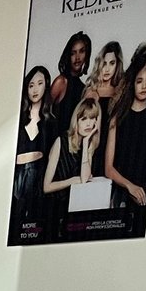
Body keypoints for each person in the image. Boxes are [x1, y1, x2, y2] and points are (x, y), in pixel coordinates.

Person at [106, 44, 146, 239]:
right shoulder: (118, 116)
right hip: (122, 195)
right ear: (132, 82)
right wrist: (130, 186)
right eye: (139, 81)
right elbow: (108, 168)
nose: (144, 86)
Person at [42, 97, 106, 240]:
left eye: (93, 118)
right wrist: (71, 181)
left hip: (73, 208)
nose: (89, 123)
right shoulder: (61, 141)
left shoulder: (89, 145)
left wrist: (85, 144)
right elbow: (46, 187)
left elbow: (83, 179)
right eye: (84, 119)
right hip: (53, 208)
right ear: (76, 121)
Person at [10, 66, 56, 244]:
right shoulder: (17, 118)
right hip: (16, 181)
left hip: (38, 182)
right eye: (31, 85)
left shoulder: (50, 122)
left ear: (46, 86)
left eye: (40, 83)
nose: (35, 89)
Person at [48, 31, 91, 137]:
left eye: (81, 51)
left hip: (73, 146)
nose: (77, 57)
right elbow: (42, 114)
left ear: (87, 54)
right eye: (73, 53)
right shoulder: (61, 82)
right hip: (55, 145)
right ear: (68, 55)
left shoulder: (84, 88)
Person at [85, 41, 125, 118]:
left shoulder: (121, 91)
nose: (107, 69)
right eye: (104, 63)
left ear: (117, 65)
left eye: (112, 63)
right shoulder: (91, 91)